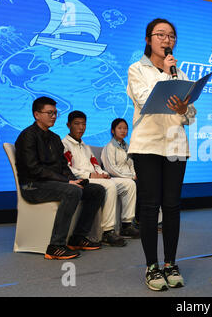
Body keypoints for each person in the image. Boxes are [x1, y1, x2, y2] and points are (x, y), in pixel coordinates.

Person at [127, 18, 196, 291]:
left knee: (172, 207)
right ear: (148, 39)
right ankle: (151, 266)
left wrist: (184, 109)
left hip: (176, 147)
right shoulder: (137, 69)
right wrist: (168, 75)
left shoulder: (180, 72)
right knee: (149, 206)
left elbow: (190, 114)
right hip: (147, 146)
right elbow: (147, 101)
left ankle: (170, 263)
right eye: (160, 35)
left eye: (171, 36)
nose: (167, 40)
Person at [15, 97, 105, 260]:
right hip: (32, 186)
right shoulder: (27, 136)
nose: (54, 116)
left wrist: (73, 179)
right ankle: (55, 246)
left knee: (96, 190)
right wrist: (67, 182)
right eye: (49, 113)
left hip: (53, 184)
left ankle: (77, 237)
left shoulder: (55, 138)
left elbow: (63, 166)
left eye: (55, 113)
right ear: (37, 114)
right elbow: (34, 169)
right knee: (71, 191)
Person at [62, 111, 140, 247]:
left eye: (83, 124)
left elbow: (95, 164)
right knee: (109, 185)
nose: (81, 127)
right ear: (68, 125)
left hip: (97, 177)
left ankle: (126, 224)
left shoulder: (85, 146)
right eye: (77, 124)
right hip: (82, 180)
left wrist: (102, 173)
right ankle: (107, 232)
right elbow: (67, 169)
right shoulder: (64, 145)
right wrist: (91, 175)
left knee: (129, 184)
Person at [101, 118, 139, 225]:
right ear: (113, 131)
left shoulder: (128, 147)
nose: (123, 131)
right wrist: (131, 177)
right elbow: (111, 169)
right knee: (132, 184)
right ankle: (127, 224)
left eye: (125, 128)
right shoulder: (109, 147)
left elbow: (132, 164)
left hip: (129, 177)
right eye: (120, 128)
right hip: (115, 178)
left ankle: (141, 221)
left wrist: (135, 175)